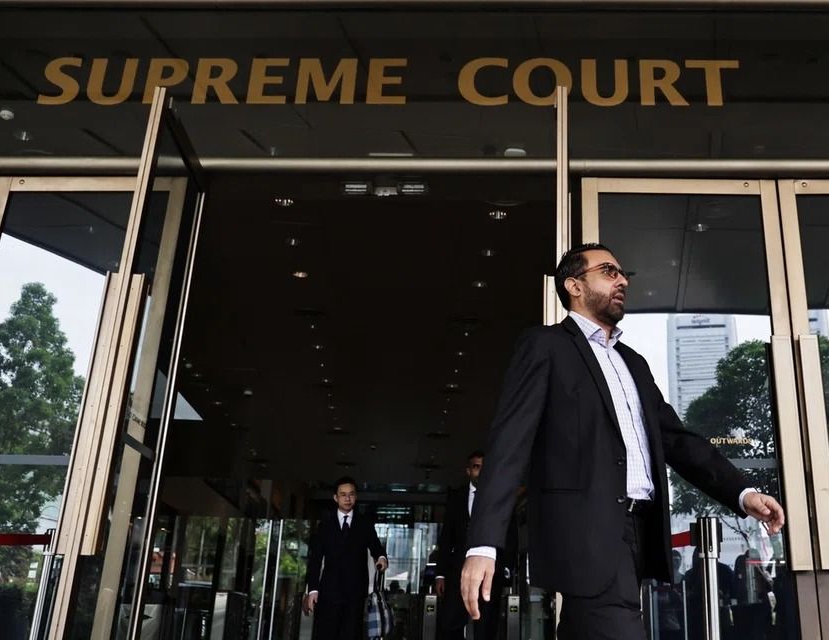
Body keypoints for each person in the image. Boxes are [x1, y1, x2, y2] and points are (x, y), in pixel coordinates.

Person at [459, 242, 786, 640]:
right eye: (608, 271)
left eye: (622, 273)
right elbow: (509, 444)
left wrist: (743, 493)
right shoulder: (546, 346)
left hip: (638, 532)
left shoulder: (633, 361)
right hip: (587, 534)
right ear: (574, 286)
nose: (621, 280)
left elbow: (677, 440)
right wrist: (483, 544)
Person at [435, 450, 517, 640]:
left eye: (485, 467)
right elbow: (446, 538)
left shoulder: (501, 497)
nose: (481, 471)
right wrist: (440, 573)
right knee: (450, 624)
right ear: (468, 471)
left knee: (486, 627)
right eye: (476, 467)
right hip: (457, 572)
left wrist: (506, 568)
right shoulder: (456, 497)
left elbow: (511, 536)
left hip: (491, 573)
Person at [303, 476, 389, 640]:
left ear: (355, 497)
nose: (347, 498)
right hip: (329, 593)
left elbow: (376, 546)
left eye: (351, 494)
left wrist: (381, 557)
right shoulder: (325, 525)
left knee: (350, 635)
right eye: (343, 494)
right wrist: (313, 589)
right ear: (336, 498)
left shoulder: (364, 524)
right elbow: (315, 560)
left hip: (355, 593)